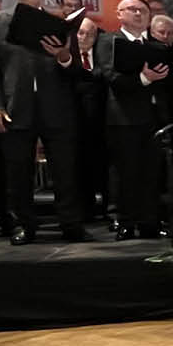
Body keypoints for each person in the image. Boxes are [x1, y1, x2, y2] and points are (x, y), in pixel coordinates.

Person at [0, 0, 88, 245]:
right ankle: (23, 225)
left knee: (65, 170)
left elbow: (76, 69)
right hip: (16, 106)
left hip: (57, 107)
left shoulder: (60, 24)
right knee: (18, 171)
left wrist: (64, 56)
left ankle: (71, 224)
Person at [98, 0, 172, 239]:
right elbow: (110, 77)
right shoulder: (109, 41)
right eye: (131, 9)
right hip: (123, 118)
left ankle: (150, 221)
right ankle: (125, 222)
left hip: (153, 120)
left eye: (142, 10)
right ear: (119, 14)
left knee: (151, 173)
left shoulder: (157, 46)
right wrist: (144, 79)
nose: (138, 14)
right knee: (125, 172)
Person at [70, 15, 108, 224]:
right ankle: (84, 211)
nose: (85, 37)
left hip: (102, 124)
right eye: (80, 33)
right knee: (78, 170)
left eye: (90, 33)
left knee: (104, 168)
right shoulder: (66, 59)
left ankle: (106, 209)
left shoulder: (103, 57)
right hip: (74, 124)